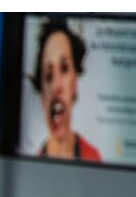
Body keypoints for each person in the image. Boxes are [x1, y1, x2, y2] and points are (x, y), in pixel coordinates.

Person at [29, 18, 102, 162]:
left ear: (75, 82)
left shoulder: (93, 158)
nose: (56, 86)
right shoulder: (31, 162)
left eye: (64, 68)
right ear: (42, 95)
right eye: (49, 76)